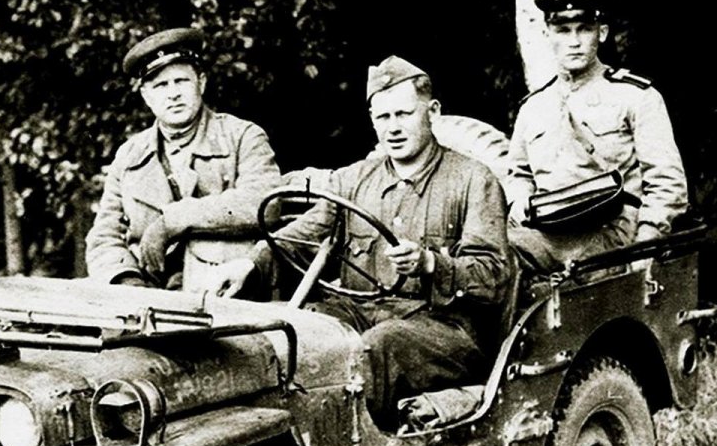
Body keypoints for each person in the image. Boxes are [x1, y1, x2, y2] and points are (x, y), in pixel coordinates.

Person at [214, 57, 512, 424]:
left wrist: (431, 263)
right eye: (383, 118)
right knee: (301, 330)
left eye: (404, 114)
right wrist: (250, 263)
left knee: (378, 347)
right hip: (360, 313)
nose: (393, 128)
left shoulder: (473, 180)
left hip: (445, 330)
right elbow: (305, 237)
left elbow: (494, 276)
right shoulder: (353, 179)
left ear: (432, 112)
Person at [85, 27, 281, 293]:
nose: (173, 93)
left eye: (181, 81)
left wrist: (172, 221)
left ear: (201, 83)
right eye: (161, 85)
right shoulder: (129, 155)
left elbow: (265, 204)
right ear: (146, 96)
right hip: (147, 298)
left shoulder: (242, 136)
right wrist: (125, 280)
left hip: (226, 298)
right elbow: (104, 236)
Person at [506, 0, 688, 269]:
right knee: (492, 259)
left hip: (612, 236)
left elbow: (667, 183)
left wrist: (647, 244)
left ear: (601, 34)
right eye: (563, 31)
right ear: (547, 36)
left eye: (584, 30)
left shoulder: (636, 97)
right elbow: (518, 174)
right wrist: (520, 203)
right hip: (547, 233)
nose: (574, 42)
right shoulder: (533, 107)